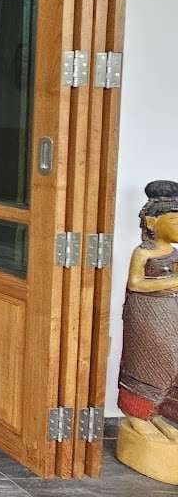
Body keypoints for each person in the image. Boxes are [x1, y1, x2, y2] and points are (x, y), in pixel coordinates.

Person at [117, 179, 178, 484]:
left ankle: (160, 413)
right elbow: (136, 284)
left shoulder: (175, 254)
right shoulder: (144, 252)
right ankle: (138, 413)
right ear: (154, 221)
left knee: (173, 364)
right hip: (148, 315)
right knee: (147, 362)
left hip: (173, 316)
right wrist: (170, 283)